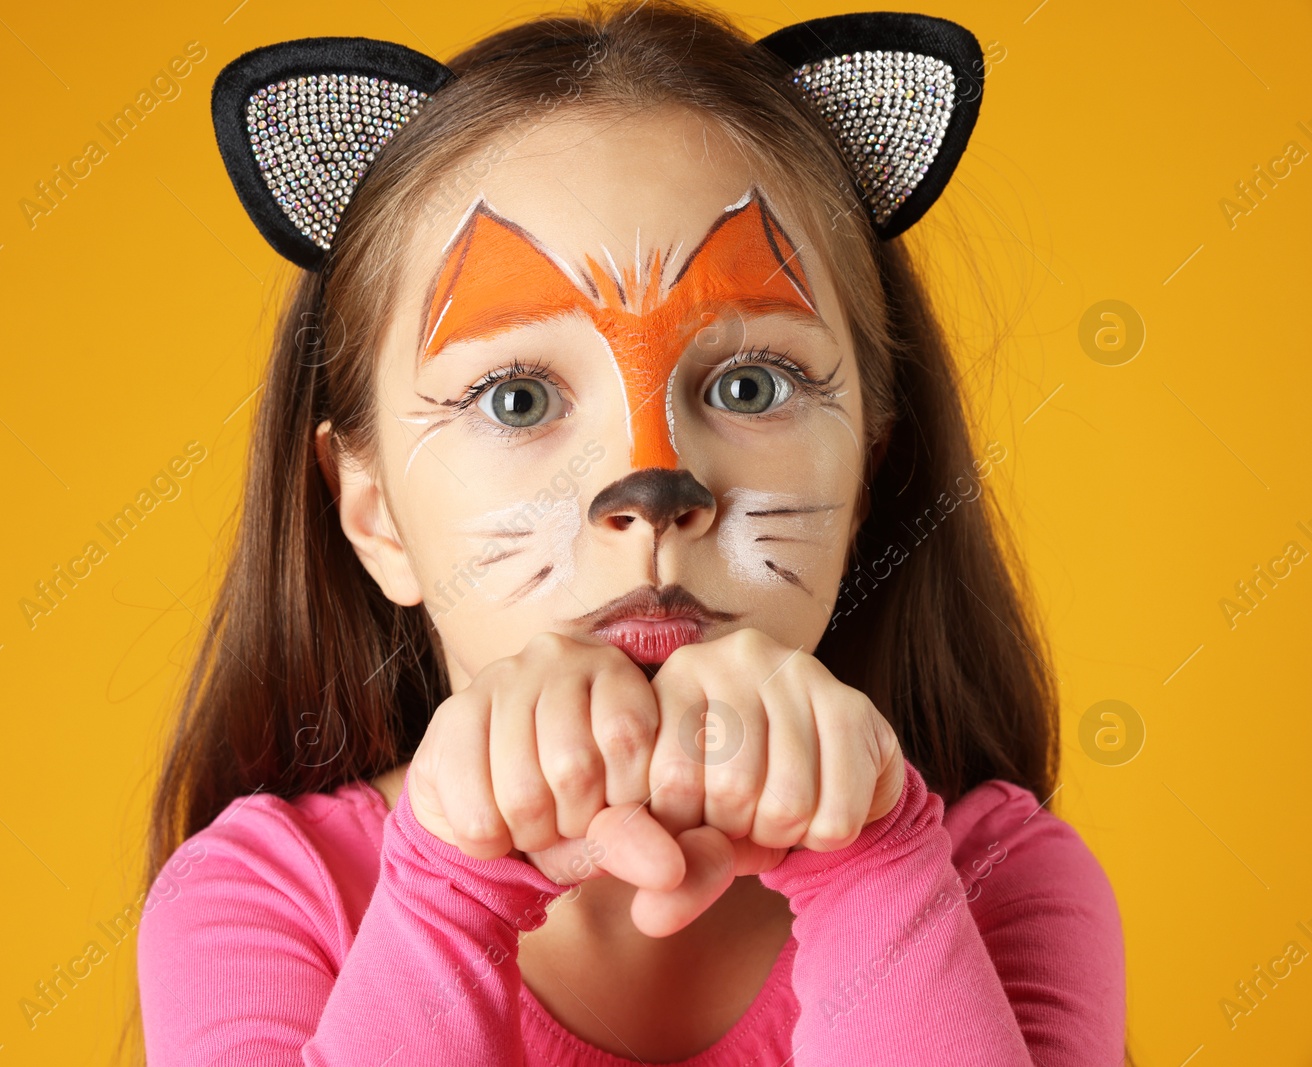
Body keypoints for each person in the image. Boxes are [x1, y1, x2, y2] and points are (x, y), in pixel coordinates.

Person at [136, 1, 1128, 1063]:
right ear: (369, 510)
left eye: (751, 384)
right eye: (515, 396)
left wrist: (869, 864)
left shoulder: (997, 881)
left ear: (868, 478)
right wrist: (451, 882)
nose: (648, 487)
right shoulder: (267, 898)